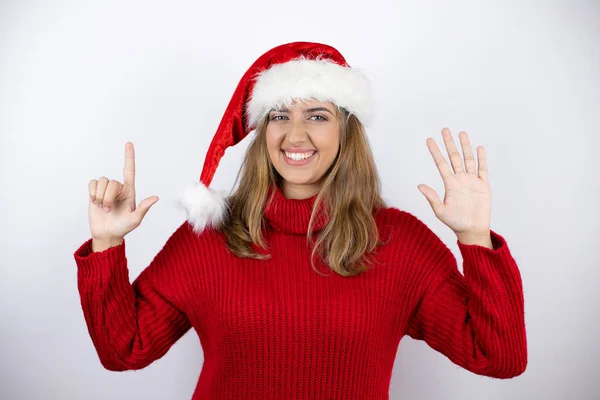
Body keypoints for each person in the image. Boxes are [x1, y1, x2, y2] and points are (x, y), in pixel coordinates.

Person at [74, 42, 527, 399]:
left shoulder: (399, 242)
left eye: (317, 115)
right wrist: (106, 246)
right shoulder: (210, 237)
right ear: (262, 131)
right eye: (279, 115)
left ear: (345, 130)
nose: (295, 134)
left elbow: (499, 356)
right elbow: (124, 349)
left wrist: (474, 237)